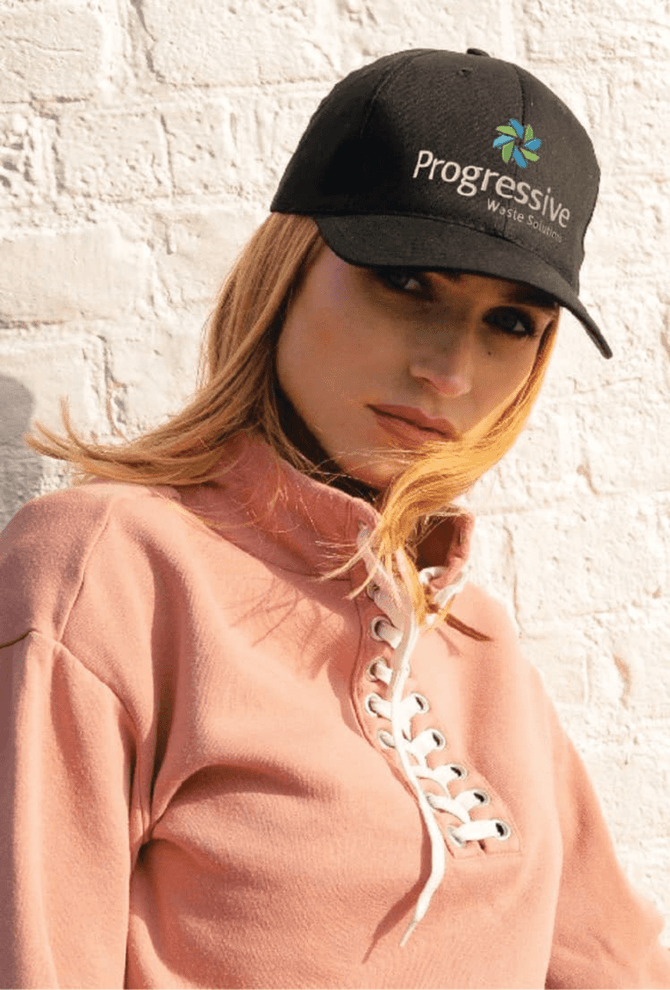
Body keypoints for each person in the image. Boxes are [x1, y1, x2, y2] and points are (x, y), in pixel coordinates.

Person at [0, 47, 668, 990]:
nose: (450, 370)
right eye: (406, 282)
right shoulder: (105, 573)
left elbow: (618, 966)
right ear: (288, 269)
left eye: (511, 322)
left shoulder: (477, 644)